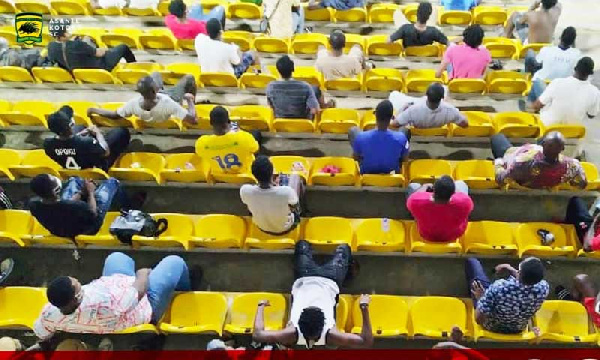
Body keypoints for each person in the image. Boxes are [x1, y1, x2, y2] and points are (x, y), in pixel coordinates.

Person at [33, 252, 197, 341]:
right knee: (174, 261)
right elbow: (139, 288)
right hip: (144, 304)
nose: (76, 280)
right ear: (76, 296)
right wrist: (144, 273)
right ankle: (186, 287)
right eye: (75, 283)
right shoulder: (106, 304)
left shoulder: (49, 314)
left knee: (116, 258)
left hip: (117, 288)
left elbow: (41, 333)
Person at [252, 240, 374, 348]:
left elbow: (258, 334)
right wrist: (364, 308)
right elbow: (366, 341)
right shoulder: (330, 335)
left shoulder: (291, 333)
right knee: (344, 248)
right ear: (324, 323)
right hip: (331, 279)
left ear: (299, 321)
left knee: (302, 244)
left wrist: (260, 307)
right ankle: (348, 277)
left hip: (304, 276)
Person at [465, 257, 549, 334]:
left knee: (472, 262)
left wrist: (480, 297)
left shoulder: (500, 286)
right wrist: (510, 268)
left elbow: (478, 319)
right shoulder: (543, 289)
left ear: (520, 272)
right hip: (518, 329)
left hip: (492, 327)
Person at [29, 174, 126, 239]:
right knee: (112, 182)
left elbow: (62, 205)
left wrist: (81, 193)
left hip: (60, 231)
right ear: (56, 191)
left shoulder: (33, 205)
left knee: (74, 179)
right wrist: (91, 192)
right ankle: (128, 205)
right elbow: (93, 212)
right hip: (88, 229)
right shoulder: (78, 206)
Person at [87, 75, 198, 126]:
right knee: (189, 78)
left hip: (158, 102)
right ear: (155, 90)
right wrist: (189, 101)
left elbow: (114, 115)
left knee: (155, 74)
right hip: (170, 100)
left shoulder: (133, 104)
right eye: (155, 86)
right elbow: (193, 120)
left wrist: (94, 110)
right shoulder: (169, 104)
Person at [44, 106, 130, 172]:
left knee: (80, 127)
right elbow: (106, 152)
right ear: (70, 124)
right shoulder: (86, 142)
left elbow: (68, 143)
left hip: (73, 169)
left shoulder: (47, 144)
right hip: (96, 168)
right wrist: (97, 133)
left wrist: (80, 134)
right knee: (121, 132)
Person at [491, 131, 587, 189]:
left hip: (513, 157)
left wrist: (498, 163)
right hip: (544, 182)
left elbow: (501, 179)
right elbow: (582, 183)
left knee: (497, 137)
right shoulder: (572, 165)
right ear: (562, 149)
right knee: (541, 137)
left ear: (543, 145)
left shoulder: (522, 162)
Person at [240, 156, 304, 235]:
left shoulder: (245, 190)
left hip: (261, 227)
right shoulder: (286, 191)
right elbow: (296, 209)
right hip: (286, 228)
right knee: (295, 181)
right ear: (271, 172)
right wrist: (294, 174)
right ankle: (295, 171)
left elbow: (250, 207)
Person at [530, 57, 600, 126]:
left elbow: (537, 105)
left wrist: (532, 109)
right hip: (572, 131)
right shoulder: (595, 92)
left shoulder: (558, 82)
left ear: (575, 68)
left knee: (537, 82)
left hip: (548, 126)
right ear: (590, 73)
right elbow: (591, 115)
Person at [521, 27, 581, 106]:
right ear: (573, 41)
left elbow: (537, 62)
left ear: (560, 37)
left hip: (544, 84)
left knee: (530, 54)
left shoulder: (547, 49)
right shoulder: (577, 54)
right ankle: (531, 103)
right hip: (563, 87)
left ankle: (531, 101)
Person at [47, 19, 136, 72]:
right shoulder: (77, 45)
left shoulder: (50, 47)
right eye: (66, 29)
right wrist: (106, 49)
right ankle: (134, 67)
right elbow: (99, 53)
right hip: (99, 68)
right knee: (123, 47)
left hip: (77, 72)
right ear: (64, 34)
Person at [348, 100, 410, 175]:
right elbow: (405, 160)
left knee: (354, 131)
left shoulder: (361, 137)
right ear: (391, 117)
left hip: (366, 175)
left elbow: (355, 159)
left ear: (375, 115)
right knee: (404, 132)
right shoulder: (401, 138)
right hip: (393, 174)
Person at [195, 106, 259, 177]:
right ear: (228, 121)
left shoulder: (202, 143)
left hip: (220, 177)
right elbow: (255, 149)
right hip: (243, 174)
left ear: (210, 123)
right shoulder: (244, 137)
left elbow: (199, 152)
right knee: (256, 133)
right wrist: (238, 131)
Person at [407, 176, 474, 243]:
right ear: (453, 193)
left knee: (414, 186)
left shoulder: (415, 201)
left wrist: (424, 187)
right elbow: (462, 195)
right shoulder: (465, 203)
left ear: (434, 192)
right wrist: (452, 187)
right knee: (461, 183)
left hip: (427, 235)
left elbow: (415, 195)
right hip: (454, 235)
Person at [195, 18, 259, 79]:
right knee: (252, 53)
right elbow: (238, 62)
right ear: (220, 32)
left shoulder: (199, 40)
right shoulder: (229, 48)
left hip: (208, 77)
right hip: (228, 79)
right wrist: (237, 49)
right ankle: (258, 74)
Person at [266, 55, 320, 120]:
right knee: (315, 89)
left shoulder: (270, 87)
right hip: (302, 122)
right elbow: (314, 110)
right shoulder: (305, 86)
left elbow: (270, 107)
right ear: (293, 69)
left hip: (280, 121)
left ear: (278, 70)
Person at [393, 83, 468, 129]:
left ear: (426, 95)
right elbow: (465, 124)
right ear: (442, 97)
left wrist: (402, 111)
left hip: (418, 131)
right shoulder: (450, 110)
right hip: (437, 133)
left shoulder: (413, 110)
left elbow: (395, 124)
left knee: (394, 95)